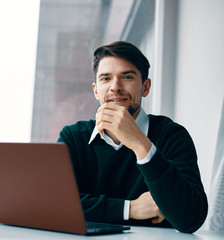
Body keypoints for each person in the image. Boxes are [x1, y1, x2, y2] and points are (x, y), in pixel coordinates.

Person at [57, 41, 208, 233]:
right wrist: (131, 209)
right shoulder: (73, 137)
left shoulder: (172, 136)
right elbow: (55, 204)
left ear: (145, 87)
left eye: (126, 76)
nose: (115, 87)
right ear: (96, 90)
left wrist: (140, 144)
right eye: (105, 79)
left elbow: (191, 218)